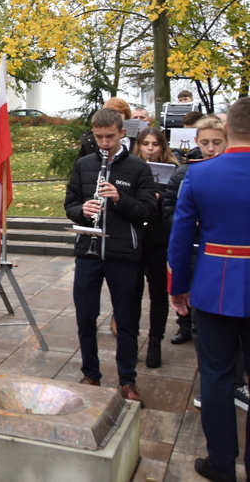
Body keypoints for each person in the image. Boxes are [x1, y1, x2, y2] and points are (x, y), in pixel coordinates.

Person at [168, 97, 250, 482]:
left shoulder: (199, 174)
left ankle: (221, 465)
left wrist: (178, 288)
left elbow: (181, 239)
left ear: (228, 131)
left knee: (216, 377)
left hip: (216, 286)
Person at [65, 108, 156, 405]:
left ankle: (127, 380)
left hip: (123, 255)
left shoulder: (139, 169)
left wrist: (119, 198)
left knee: (127, 320)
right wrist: (83, 211)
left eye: (110, 137)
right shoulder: (83, 165)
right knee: (85, 316)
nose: (104, 143)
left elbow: (147, 212)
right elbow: (70, 204)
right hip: (89, 252)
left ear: (122, 134)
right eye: (99, 137)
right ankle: (91, 373)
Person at [165, 115, 228, 346]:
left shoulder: (230, 173)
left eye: (217, 142)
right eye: (205, 143)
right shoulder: (184, 173)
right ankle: (184, 325)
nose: (210, 148)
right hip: (189, 245)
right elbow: (169, 211)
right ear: (196, 141)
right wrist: (188, 222)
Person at [130, 127, 180, 368]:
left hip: (160, 239)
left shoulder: (174, 171)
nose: (150, 148)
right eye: (145, 144)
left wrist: (161, 200)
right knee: (133, 291)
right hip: (135, 238)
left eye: (155, 144)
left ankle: (155, 342)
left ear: (163, 147)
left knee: (158, 293)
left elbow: (179, 206)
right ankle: (130, 341)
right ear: (138, 145)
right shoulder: (130, 167)